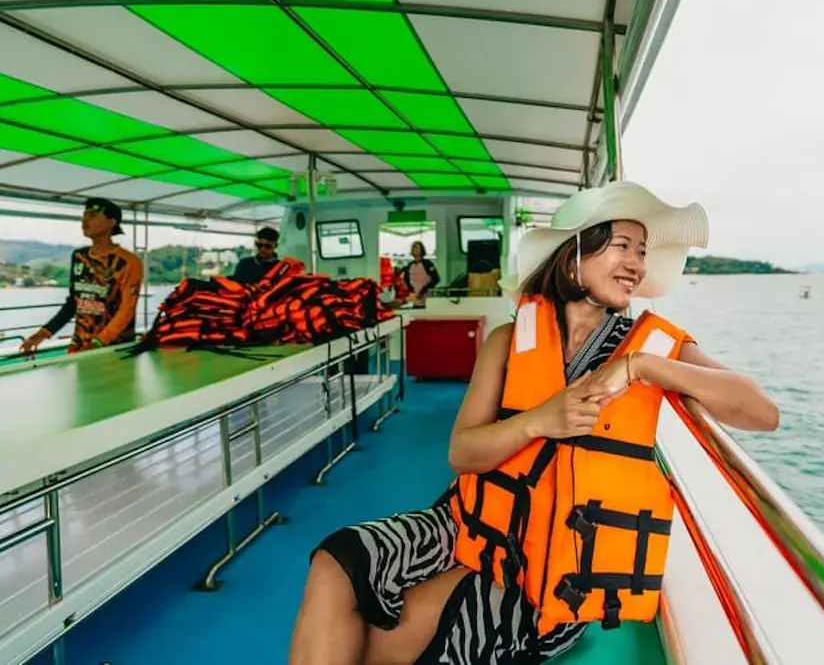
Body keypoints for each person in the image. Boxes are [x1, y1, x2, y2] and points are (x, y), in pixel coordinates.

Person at [288, 181, 779, 665]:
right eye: (623, 246)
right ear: (573, 255)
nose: (637, 265)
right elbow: (462, 453)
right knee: (335, 559)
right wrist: (540, 420)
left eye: (643, 252)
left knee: (388, 640)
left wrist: (641, 368)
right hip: (469, 523)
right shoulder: (508, 340)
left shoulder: (654, 347)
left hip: (552, 569)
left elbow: (761, 411)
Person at [21, 198, 144, 354]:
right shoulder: (79, 256)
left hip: (115, 346)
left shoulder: (129, 262)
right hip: (81, 343)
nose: (84, 220)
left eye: (93, 215)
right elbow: (74, 302)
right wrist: (44, 333)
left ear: (111, 223)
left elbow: (127, 309)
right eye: (84, 216)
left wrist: (99, 342)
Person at [401, 240, 440, 306]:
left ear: (421, 250)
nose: (414, 249)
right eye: (413, 247)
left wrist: (423, 291)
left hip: (427, 299)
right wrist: (411, 290)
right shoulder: (410, 265)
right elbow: (406, 278)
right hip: (415, 298)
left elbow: (436, 279)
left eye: (416, 247)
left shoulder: (427, 264)